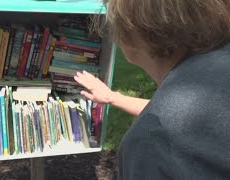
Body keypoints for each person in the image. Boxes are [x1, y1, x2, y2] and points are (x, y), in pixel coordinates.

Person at [74, 0, 230, 179]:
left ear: (127, 35)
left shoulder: (151, 144)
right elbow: (190, 118)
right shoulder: (216, 77)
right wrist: (113, 97)